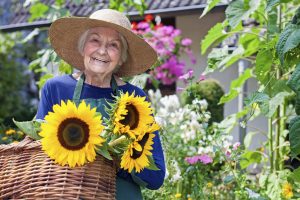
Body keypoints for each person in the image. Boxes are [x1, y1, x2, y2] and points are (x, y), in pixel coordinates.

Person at [36, 9, 165, 199]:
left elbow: (156, 177)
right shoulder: (56, 89)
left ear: (121, 57)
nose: (102, 51)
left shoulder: (134, 98)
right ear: (82, 47)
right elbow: (37, 153)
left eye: (113, 45)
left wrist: (119, 155)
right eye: (95, 40)